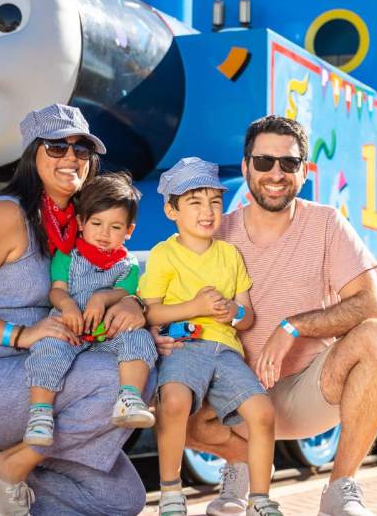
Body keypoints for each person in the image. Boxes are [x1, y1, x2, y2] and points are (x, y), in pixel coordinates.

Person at [0, 103, 152, 516]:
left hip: (54, 372)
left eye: (81, 151)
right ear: (32, 153)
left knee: (120, 501)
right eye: (56, 147)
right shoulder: (7, 216)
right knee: (121, 381)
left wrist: (128, 301)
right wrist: (19, 334)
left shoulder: (83, 225)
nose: (70, 159)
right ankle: (3, 466)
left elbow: (121, 276)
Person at [177, 116, 377, 516]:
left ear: (304, 171)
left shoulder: (327, 224)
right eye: (264, 162)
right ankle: (243, 463)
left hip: (309, 390)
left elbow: (373, 306)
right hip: (234, 402)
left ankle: (340, 489)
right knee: (167, 398)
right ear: (246, 166)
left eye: (288, 163)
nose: (276, 174)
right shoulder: (213, 234)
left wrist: (293, 326)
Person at [140, 157, 282, 516]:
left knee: (263, 412)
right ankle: (171, 492)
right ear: (172, 210)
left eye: (215, 202)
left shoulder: (230, 256)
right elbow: (150, 312)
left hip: (226, 350)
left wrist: (232, 313)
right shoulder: (163, 255)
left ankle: (260, 499)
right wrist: (194, 306)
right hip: (184, 346)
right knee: (173, 403)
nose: (207, 211)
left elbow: (247, 317)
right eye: (194, 202)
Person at [22, 171, 157, 446]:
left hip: (107, 331)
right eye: (97, 223)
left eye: (116, 227)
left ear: (129, 230)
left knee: (139, 337)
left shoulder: (127, 264)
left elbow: (125, 292)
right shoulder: (68, 255)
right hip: (70, 324)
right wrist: (68, 304)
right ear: (81, 222)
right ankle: (40, 414)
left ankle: (129, 398)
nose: (104, 234)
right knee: (48, 346)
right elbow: (57, 289)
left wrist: (103, 297)